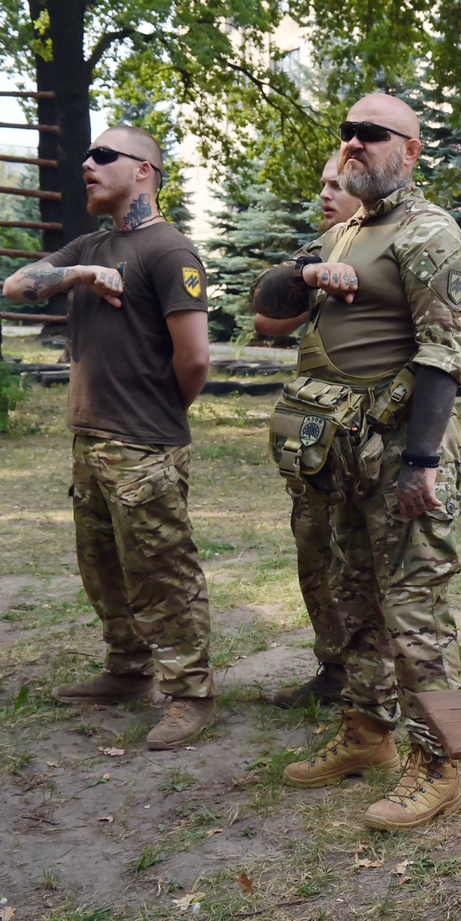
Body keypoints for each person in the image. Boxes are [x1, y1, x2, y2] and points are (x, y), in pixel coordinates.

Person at [251, 93, 461, 830]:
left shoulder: (429, 232)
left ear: (409, 151)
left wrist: (421, 463)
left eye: (371, 134)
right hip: (340, 450)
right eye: (347, 133)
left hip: (402, 450)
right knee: (354, 595)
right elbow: (268, 302)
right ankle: (368, 732)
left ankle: (438, 760)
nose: (353, 144)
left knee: (413, 610)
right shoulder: (347, 230)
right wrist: (308, 270)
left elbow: (444, 355)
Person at [2, 125, 215, 749]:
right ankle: (128, 670)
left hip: (142, 445)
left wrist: (156, 415)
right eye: (88, 155)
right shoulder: (91, 245)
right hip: (90, 442)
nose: (87, 165)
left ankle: (189, 693)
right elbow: (14, 286)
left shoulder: (169, 251)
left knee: (162, 573)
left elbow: (195, 359)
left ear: (144, 170)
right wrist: (81, 274)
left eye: (103, 156)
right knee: (103, 568)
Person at [254, 156, 365, 708]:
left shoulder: (397, 247)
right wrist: (307, 275)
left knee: (364, 564)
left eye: (336, 184)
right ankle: (333, 670)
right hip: (315, 440)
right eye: (321, 182)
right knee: (315, 554)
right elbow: (266, 320)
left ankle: (375, 683)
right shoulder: (320, 248)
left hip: (368, 440)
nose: (324, 193)